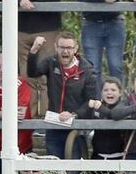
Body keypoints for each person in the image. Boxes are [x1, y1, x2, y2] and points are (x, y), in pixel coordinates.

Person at [27, 32, 97, 161]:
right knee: (55, 171)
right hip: (54, 125)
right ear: (56, 47)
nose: (65, 51)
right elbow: (32, 72)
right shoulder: (51, 62)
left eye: (69, 48)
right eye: (62, 47)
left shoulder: (87, 70)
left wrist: (74, 114)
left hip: (75, 127)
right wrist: (34, 50)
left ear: (75, 49)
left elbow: (91, 101)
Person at [18, 0, 62, 119]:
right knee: (26, 78)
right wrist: (19, 0)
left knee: (45, 77)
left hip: (47, 28)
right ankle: (29, 119)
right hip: (21, 29)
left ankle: (46, 119)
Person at [71, 0, 124, 92]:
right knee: (92, 69)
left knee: (116, 67)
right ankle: (95, 105)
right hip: (91, 23)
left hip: (114, 22)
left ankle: (118, 106)